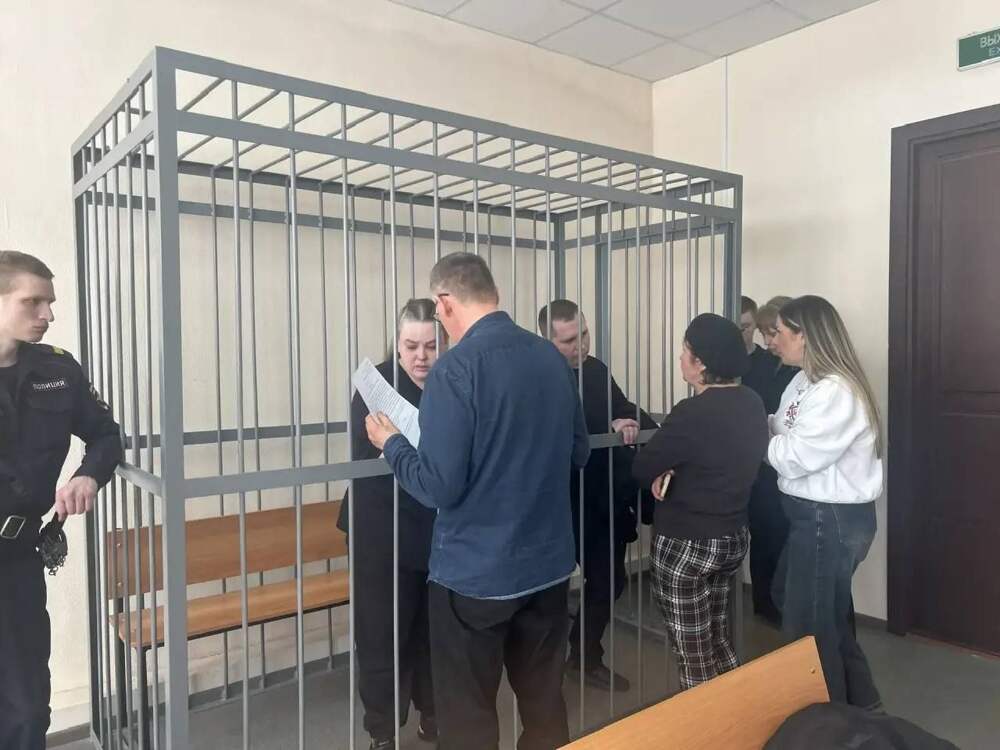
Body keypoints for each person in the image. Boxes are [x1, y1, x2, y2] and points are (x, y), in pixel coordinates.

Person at [365, 253, 589, 750]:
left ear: (445, 302)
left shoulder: (455, 370)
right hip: (549, 567)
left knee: (468, 715)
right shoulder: (550, 359)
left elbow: (438, 486)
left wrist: (393, 444)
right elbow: (579, 452)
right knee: (544, 701)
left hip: (475, 576)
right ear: (494, 294)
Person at [0, 251, 122, 749]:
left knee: (28, 705)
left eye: (49, 303)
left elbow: (106, 436)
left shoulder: (58, 370)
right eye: (33, 302)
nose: (47, 314)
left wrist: (88, 475)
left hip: (16, 560)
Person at [632, 313, 768, 690]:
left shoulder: (692, 412)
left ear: (701, 363)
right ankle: (739, 710)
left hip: (687, 544)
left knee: (693, 653)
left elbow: (643, 467)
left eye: (685, 351)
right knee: (718, 637)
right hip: (732, 537)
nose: (681, 358)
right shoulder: (752, 402)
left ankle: (711, 721)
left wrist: (664, 470)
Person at [767, 295, 883, 709]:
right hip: (812, 516)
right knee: (818, 613)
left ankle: (830, 723)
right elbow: (779, 426)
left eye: (779, 332)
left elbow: (795, 457)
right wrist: (764, 430)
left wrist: (756, 439)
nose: (772, 340)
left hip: (829, 519)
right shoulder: (803, 380)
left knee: (809, 627)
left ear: (805, 335)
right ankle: (861, 704)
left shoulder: (837, 391)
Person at [537, 299, 657, 692]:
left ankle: (584, 658)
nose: (582, 345)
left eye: (584, 334)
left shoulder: (596, 369)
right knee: (547, 595)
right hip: (556, 504)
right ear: (548, 341)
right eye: (569, 340)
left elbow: (620, 406)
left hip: (601, 500)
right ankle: (543, 672)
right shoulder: (538, 377)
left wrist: (626, 418)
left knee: (609, 582)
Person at [337, 299, 440, 749]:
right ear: (397, 345)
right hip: (379, 529)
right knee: (381, 634)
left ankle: (434, 716)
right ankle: (382, 732)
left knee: (433, 632)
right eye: (411, 346)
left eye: (431, 346)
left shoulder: (452, 384)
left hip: (433, 529)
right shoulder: (374, 387)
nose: (421, 357)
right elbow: (363, 459)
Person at [739, 296, 797, 624]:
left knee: (780, 535)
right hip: (758, 464)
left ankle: (777, 605)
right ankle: (765, 604)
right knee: (762, 534)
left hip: (779, 466)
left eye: (772, 332)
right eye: (765, 333)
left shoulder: (799, 372)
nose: (768, 340)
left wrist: (766, 432)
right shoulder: (754, 365)